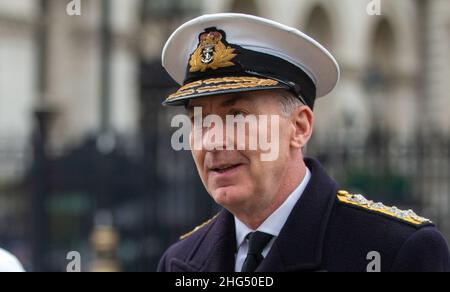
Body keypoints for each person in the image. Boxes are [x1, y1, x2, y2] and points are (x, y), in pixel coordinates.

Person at [157, 13, 450, 272]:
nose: (213, 141)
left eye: (237, 115)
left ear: (299, 126)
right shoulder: (180, 260)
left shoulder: (394, 251)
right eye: (198, 121)